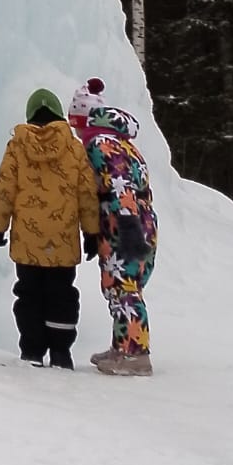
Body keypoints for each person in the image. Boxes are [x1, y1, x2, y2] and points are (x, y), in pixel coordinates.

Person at [0, 88, 100, 369]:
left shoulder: (16, 146)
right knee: (61, 293)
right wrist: (91, 232)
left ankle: (32, 350)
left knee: (28, 293)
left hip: (27, 239)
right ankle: (61, 352)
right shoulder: (74, 148)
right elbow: (86, 192)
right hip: (62, 239)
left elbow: (5, 188)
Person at [68, 80, 159, 377]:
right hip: (134, 219)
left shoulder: (101, 144)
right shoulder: (119, 141)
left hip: (125, 222)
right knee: (120, 287)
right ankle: (122, 346)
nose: (76, 133)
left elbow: (120, 184)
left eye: (76, 125)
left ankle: (134, 354)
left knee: (124, 288)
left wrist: (128, 225)